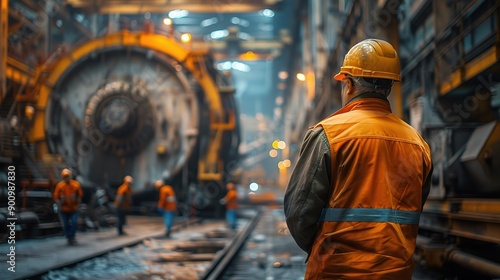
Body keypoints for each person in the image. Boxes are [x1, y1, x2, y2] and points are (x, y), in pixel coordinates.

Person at [284, 38, 433, 279]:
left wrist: (321, 249)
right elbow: (416, 205)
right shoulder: (417, 142)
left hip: (335, 272)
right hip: (395, 272)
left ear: (349, 84)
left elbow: (298, 212)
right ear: (389, 87)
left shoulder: (328, 135)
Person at [53, 168, 83, 245]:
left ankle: (72, 237)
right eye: (65, 177)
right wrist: (60, 206)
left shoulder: (76, 185)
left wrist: (78, 205)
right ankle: (69, 237)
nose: (67, 178)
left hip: (74, 208)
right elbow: (56, 198)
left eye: (68, 176)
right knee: (66, 224)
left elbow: (79, 196)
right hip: (64, 209)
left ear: (70, 176)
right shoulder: (60, 186)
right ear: (63, 177)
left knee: (74, 222)